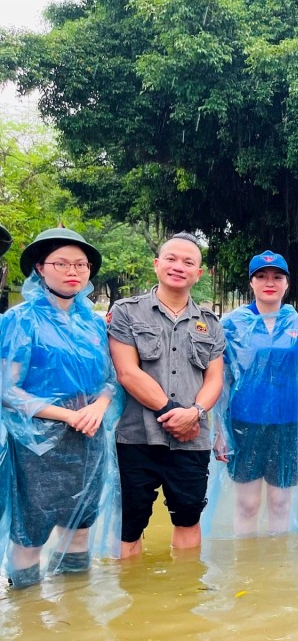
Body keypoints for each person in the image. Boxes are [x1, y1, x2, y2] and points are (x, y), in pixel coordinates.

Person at [0, 227, 121, 589]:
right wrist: (67, 415)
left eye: (81, 264)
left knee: (80, 524)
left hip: (89, 438)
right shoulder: (20, 320)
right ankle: (28, 616)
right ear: (40, 267)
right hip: (37, 443)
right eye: (62, 263)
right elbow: (8, 389)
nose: (74, 271)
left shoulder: (94, 323)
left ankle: (74, 613)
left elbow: (111, 378)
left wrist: (99, 406)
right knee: (30, 531)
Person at [108, 232, 225, 557]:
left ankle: (184, 597)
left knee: (188, 519)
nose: (179, 266)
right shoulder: (127, 312)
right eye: (171, 259)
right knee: (130, 524)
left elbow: (215, 379)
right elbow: (127, 373)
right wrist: (176, 412)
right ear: (157, 264)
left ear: (199, 274)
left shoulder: (210, 324)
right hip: (136, 438)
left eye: (189, 262)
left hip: (192, 439)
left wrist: (195, 414)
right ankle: (133, 600)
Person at [202, 251, 298, 538]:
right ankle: (247, 566)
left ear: (287, 284)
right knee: (248, 503)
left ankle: (276, 570)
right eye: (262, 277)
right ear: (251, 282)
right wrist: (219, 431)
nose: (270, 282)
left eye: (277, 277)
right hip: (243, 424)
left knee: (281, 503)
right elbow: (220, 380)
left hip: (288, 425)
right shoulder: (231, 324)